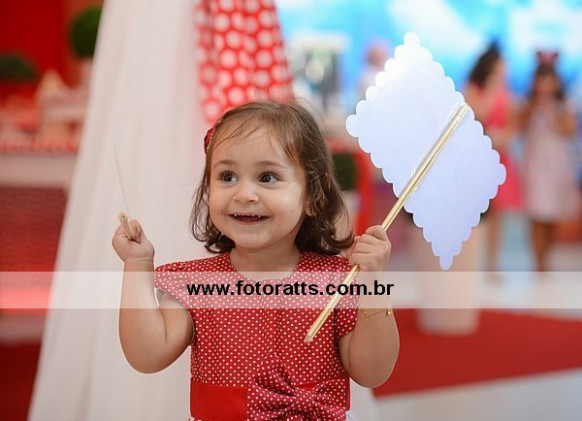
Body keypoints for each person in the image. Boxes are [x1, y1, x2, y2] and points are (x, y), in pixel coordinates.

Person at [112, 100, 399, 420]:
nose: (244, 194)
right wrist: (137, 265)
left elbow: (372, 372)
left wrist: (374, 286)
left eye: (267, 177)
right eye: (227, 176)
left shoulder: (337, 282)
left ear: (313, 197)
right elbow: (148, 354)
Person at [519, 53, 580, 272]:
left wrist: (553, 111)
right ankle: (538, 261)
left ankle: (546, 256)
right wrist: (533, 107)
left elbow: (570, 130)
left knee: (552, 212)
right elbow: (519, 127)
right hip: (535, 165)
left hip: (557, 166)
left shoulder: (565, 105)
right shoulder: (528, 105)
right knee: (536, 212)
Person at [464, 43, 522, 271]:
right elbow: (479, 113)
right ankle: (470, 259)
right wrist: (491, 88)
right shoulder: (474, 88)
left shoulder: (506, 92)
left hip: (500, 156)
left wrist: (506, 136)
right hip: (477, 157)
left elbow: (514, 122)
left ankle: (492, 263)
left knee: (498, 212)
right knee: (475, 212)